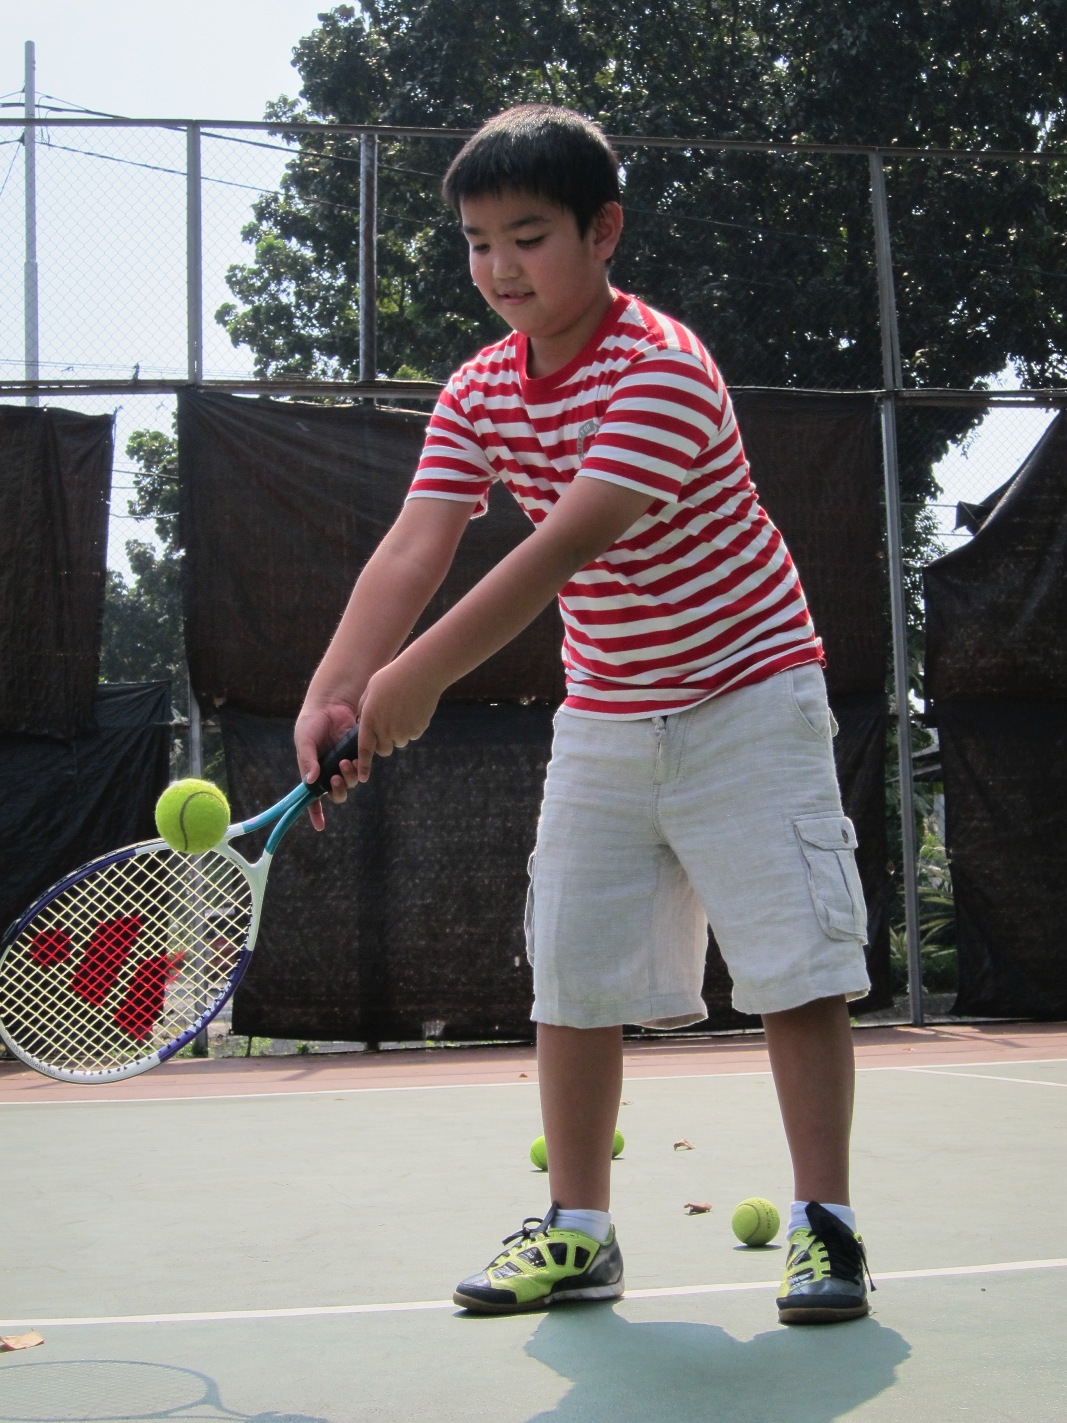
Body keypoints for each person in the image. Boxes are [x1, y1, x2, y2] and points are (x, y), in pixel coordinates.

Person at [294, 104, 874, 1325]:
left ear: (601, 231)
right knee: (570, 973)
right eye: (477, 242)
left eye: (528, 237)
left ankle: (824, 1223)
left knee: (794, 971)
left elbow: (558, 548)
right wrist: (337, 685)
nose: (499, 268)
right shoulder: (476, 389)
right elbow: (413, 544)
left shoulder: (663, 366)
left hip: (750, 694)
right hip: (606, 713)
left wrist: (419, 679)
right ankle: (577, 1230)